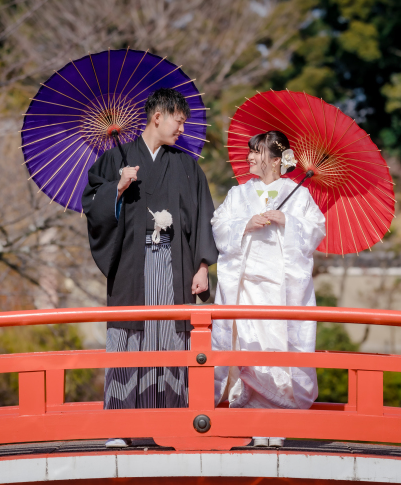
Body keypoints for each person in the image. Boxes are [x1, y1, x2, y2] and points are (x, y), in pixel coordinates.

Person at [82, 88, 218, 448]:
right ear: (159, 116)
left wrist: (203, 265)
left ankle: (171, 422)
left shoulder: (187, 166)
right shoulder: (114, 161)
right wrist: (117, 186)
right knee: (130, 338)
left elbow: (204, 216)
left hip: (176, 263)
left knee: (172, 337)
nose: (182, 128)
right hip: (132, 262)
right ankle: (122, 427)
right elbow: (93, 206)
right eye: (178, 120)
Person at [210, 130, 326, 448]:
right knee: (248, 350)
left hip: (281, 289)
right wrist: (244, 224)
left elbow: (316, 228)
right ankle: (251, 420)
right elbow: (219, 224)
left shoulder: (298, 194)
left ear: (276, 159)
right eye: (250, 152)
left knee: (278, 352)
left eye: (256, 152)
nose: (248, 157)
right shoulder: (238, 194)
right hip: (246, 287)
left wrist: (287, 220)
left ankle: (278, 421)